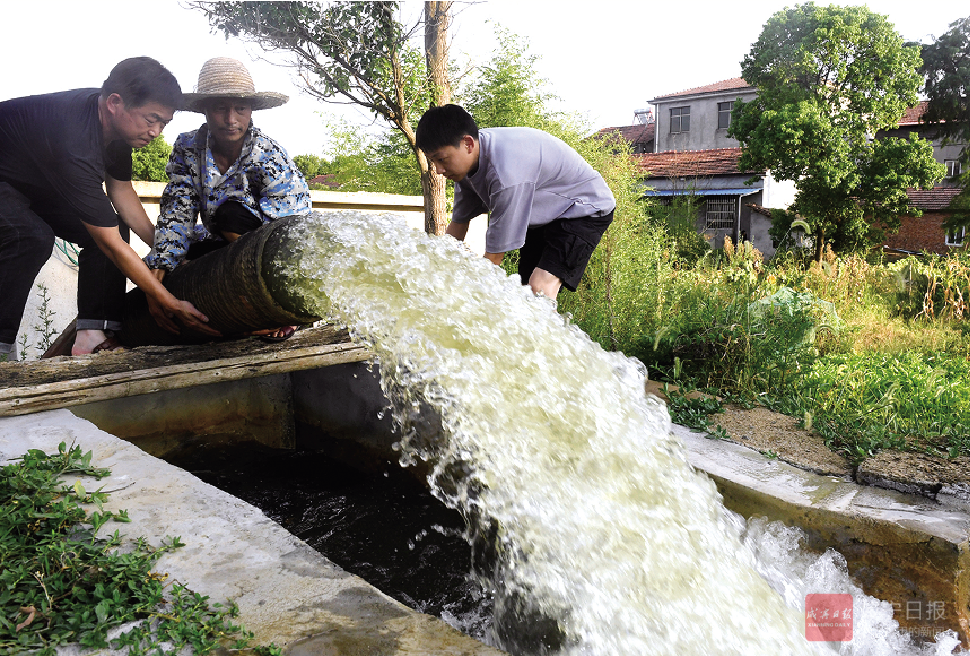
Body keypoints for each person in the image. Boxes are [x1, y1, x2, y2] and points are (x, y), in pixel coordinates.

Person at [0, 57, 218, 359]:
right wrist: (166, 300)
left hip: (27, 182)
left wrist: (169, 253)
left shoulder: (117, 132)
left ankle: (92, 335)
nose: (156, 131)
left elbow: (122, 192)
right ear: (116, 102)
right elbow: (110, 243)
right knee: (29, 236)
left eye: (164, 123)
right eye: (151, 119)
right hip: (6, 178)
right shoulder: (74, 136)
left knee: (112, 224)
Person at [145, 57, 310, 340]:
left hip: (270, 247)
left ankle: (279, 312)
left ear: (251, 111)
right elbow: (178, 210)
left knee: (229, 213)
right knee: (181, 258)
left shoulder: (269, 155)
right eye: (221, 108)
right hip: (223, 244)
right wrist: (160, 267)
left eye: (240, 108)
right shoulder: (187, 147)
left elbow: (290, 231)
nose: (231, 119)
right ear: (206, 110)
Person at [415, 104, 616, 300]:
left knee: (540, 289)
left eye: (441, 160)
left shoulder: (505, 173)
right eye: (433, 161)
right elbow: (457, 229)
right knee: (525, 297)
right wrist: (433, 273)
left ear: (468, 143)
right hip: (546, 216)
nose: (438, 170)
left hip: (585, 208)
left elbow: (493, 260)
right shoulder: (465, 169)